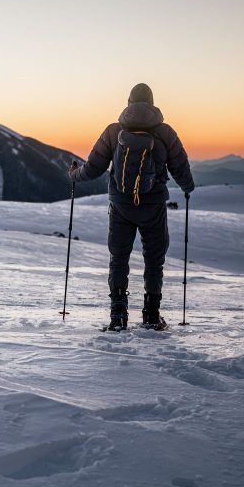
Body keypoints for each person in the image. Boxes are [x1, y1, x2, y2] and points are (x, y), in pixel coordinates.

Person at [69, 83, 195, 331]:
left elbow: (93, 168)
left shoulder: (113, 131)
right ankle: (151, 316)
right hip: (154, 206)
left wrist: (74, 174)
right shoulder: (165, 132)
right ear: (152, 103)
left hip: (121, 205)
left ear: (128, 103)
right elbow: (180, 167)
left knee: (119, 258)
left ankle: (118, 317)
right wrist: (188, 187)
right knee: (154, 260)